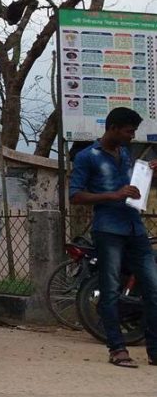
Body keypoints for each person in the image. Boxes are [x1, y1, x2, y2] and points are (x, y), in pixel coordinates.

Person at [69, 107, 157, 368]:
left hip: (135, 228)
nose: (132, 136)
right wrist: (114, 195)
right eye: (129, 131)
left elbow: (132, 188)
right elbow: (75, 196)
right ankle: (117, 349)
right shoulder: (88, 157)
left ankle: (154, 351)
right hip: (108, 230)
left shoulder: (126, 154)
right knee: (109, 292)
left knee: (153, 290)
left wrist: (149, 173)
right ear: (114, 128)